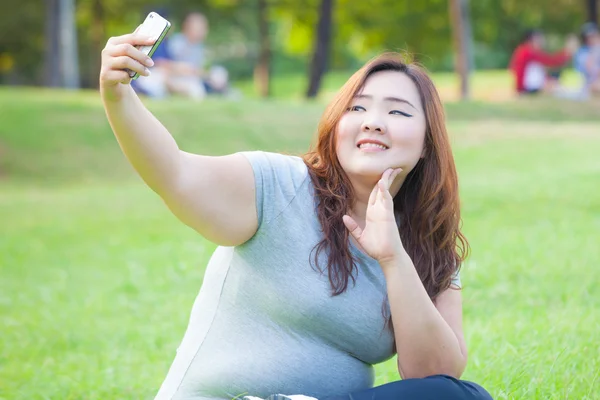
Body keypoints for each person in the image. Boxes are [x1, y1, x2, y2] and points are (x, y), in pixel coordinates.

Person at [99, 27, 493, 400]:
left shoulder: (429, 242)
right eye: (357, 107)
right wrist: (117, 96)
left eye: (398, 112)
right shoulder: (281, 185)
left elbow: (436, 376)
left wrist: (393, 258)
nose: (372, 121)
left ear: (427, 143)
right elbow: (175, 172)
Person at [164, 12, 231, 99]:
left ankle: (223, 93)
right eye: (199, 28)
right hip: (179, 79)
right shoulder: (177, 43)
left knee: (219, 73)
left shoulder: (198, 46)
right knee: (196, 88)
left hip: (195, 77)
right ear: (187, 28)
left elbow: (198, 69)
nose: (202, 32)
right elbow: (166, 65)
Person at [509, 29, 577, 95]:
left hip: (525, 87)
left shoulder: (525, 50)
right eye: (540, 38)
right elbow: (551, 61)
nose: (542, 40)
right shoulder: (528, 51)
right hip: (526, 88)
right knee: (558, 87)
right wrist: (567, 52)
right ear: (533, 39)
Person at [574, 22, 600, 97]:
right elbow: (584, 68)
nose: (590, 39)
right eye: (588, 37)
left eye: (592, 36)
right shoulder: (581, 51)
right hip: (586, 81)